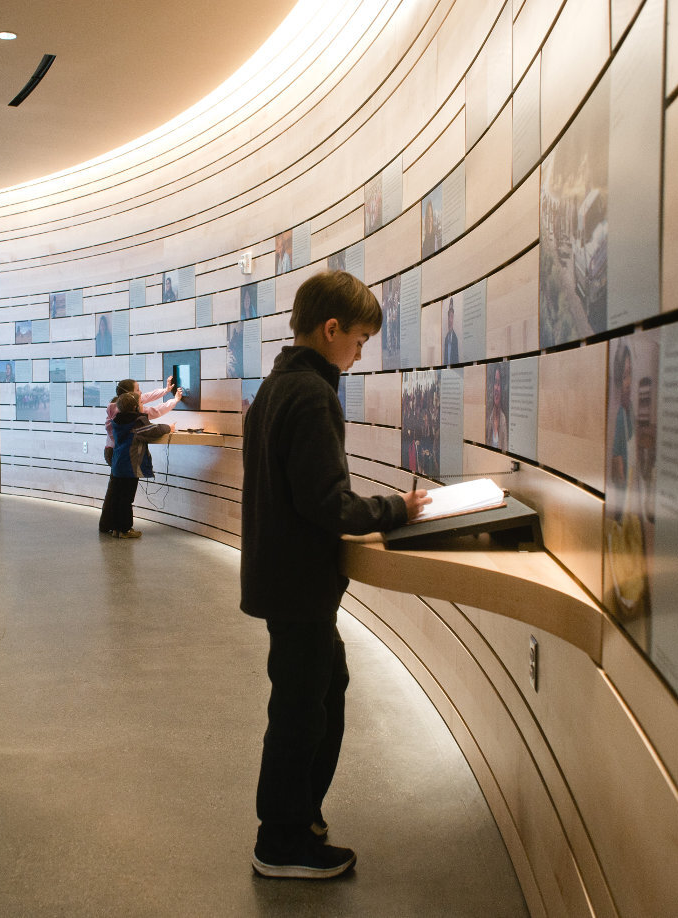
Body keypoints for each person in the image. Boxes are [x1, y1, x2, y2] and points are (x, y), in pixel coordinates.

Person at [241, 270, 430, 879]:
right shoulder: (314, 394)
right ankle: (282, 842)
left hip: (283, 579)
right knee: (301, 711)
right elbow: (329, 503)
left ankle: (298, 815)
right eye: (359, 340)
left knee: (321, 692)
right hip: (299, 585)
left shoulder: (277, 386)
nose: (359, 352)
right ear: (331, 330)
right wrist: (397, 508)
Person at [98, 391, 173, 538]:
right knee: (126, 499)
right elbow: (153, 430)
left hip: (118, 464)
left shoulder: (118, 420)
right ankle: (125, 530)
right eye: (140, 403)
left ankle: (116, 528)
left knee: (117, 497)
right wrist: (169, 427)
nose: (142, 405)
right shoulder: (136, 422)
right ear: (134, 407)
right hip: (129, 466)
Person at [104, 376, 181, 465]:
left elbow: (147, 396)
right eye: (137, 390)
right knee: (124, 477)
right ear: (129, 395)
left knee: (117, 476)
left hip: (112, 450)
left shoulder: (118, 404)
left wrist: (165, 390)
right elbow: (154, 412)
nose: (141, 392)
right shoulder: (130, 413)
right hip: (118, 452)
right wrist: (175, 400)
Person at [442, 298, 459, 364]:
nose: (450, 320)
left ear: (453, 318)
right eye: (449, 316)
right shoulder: (446, 338)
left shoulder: (455, 338)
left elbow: (456, 360)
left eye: (451, 317)